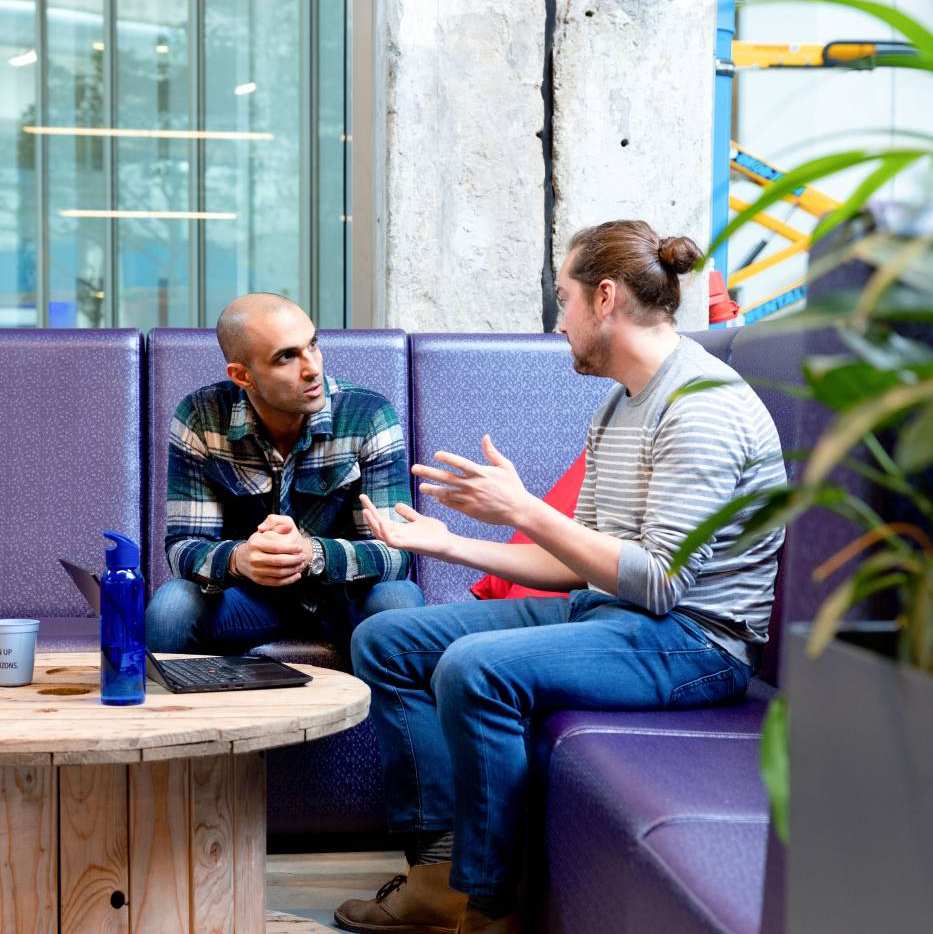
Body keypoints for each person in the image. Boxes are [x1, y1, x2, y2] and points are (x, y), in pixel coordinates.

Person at [336, 221, 787, 934]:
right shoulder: (618, 405)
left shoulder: (701, 408)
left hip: (696, 643)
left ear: (603, 298)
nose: (558, 321)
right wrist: (452, 544)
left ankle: (487, 907)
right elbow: (575, 564)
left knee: (473, 671)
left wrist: (524, 510)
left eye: (562, 297)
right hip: (613, 616)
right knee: (387, 640)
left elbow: (658, 585)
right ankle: (436, 874)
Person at [145, 292, 424, 654]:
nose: (312, 368)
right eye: (286, 357)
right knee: (171, 607)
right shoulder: (201, 416)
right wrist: (238, 559)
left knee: (398, 602)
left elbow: (397, 553)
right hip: (247, 601)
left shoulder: (368, 415)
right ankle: (177, 713)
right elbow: (184, 546)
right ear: (242, 375)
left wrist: (310, 554)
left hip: (345, 599)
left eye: (313, 344)